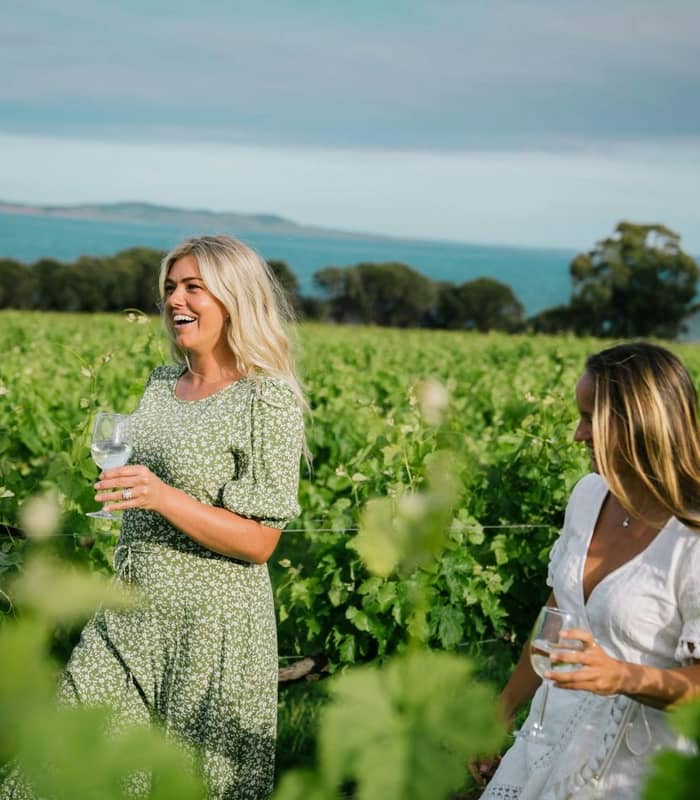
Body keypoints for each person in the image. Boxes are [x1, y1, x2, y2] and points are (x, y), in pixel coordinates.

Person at [4, 235, 305, 800]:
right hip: (130, 609)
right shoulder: (163, 385)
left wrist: (162, 496)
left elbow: (261, 541)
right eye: (170, 287)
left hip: (213, 630)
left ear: (233, 298)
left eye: (194, 287)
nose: (175, 300)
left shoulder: (266, 399)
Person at [480, 342, 700, 800]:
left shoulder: (692, 537)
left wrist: (621, 676)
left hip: (638, 772)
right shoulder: (588, 495)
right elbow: (558, 612)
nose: (579, 435)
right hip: (545, 743)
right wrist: (502, 708)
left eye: (590, 419)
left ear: (640, 425)